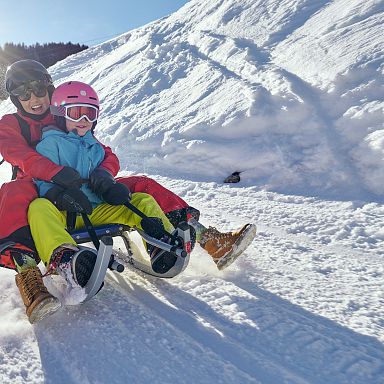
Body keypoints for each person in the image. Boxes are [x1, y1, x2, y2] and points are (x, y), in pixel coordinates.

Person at [0, 60, 255, 323]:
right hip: (40, 187)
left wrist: (104, 175)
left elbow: (103, 152)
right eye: (23, 93)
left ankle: (203, 239)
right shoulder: (12, 123)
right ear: (15, 99)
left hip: (86, 188)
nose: (33, 98)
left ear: (50, 90)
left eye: (38, 89)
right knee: (15, 194)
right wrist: (55, 178)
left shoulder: (66, 111)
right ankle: (30, 275)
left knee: (140, 186)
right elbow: (16, 153)